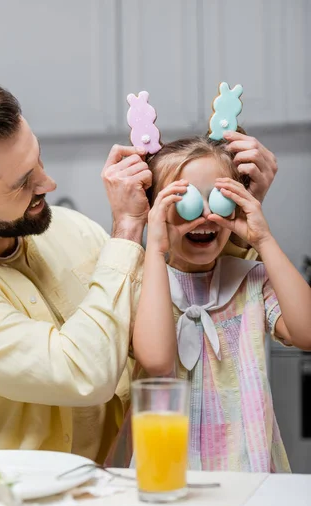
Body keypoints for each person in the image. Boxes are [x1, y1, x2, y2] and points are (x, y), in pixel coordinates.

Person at [0, 78, 278, 461]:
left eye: (38, 159)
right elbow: (82, 374)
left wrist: (232, 222)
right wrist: (129, 230)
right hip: (11, 505)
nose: (47, 183)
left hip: (109, 493)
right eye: (22, 183)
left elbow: (169, 321)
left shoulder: (69, 228)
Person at [129, 135, 311, 472]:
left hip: (245, 469)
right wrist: (153, 247)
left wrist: (263, 239)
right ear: (157, 211)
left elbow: (307, 333)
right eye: (184, 202)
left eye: (219, 199)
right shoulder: (145, 283)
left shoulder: (249, 281)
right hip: (168, 469)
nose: (206, 215)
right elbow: (157, 362)